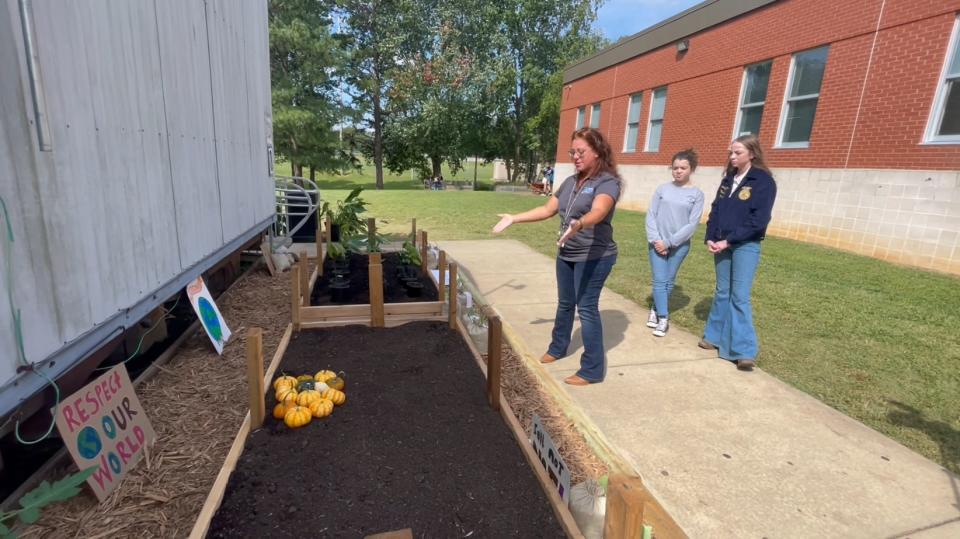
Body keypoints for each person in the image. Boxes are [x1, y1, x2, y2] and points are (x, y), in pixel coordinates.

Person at [492, 128, 621, 386]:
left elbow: (599, 209)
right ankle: (558, 347)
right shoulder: (571, 182)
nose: (575, 156)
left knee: (586, 309)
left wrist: (580, 224)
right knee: (565, 303)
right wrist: (514, 218)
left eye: (581, 151)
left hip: (594, 256)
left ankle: (592, 370)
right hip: (567, 253)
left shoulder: (607, 182)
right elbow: (547, 208)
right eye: (572, 151)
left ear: (596, 152)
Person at [701, 134, 777, 371]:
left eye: (738, 153)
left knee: (739, 295)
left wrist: (729, 241)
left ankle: (744, 351)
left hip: (745, 245)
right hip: (721, 244)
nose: (732, 157)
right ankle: (713, 336)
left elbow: (759, 220)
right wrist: (711, 237)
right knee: (723, 291)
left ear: (752, 154)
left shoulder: (763, 181)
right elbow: (716, 210)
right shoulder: (728, 180)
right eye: (731, 153)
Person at [645, 149, 705, 337]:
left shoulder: (697, 194)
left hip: (679, 246)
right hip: (656, 244)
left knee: (669, 281)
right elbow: (651, 215)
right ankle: (663, 317)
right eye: (675, 168)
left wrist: (669, 242)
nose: (678, 171)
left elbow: (692, 224)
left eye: (683, 168)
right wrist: (657, 240)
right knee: (659, 280)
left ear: (691, 169)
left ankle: (655, 309)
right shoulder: (662, 189)